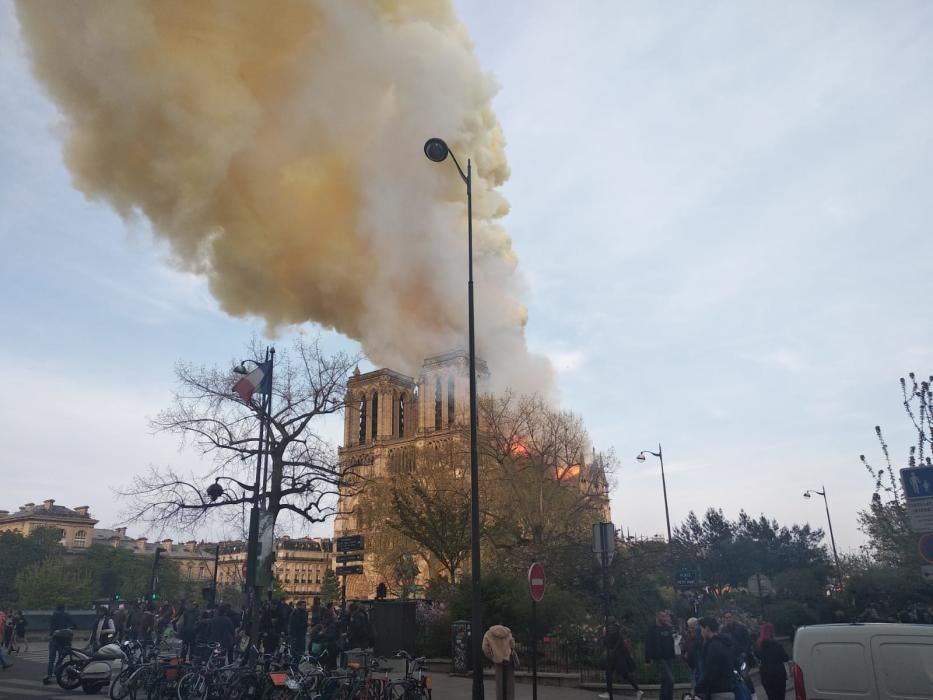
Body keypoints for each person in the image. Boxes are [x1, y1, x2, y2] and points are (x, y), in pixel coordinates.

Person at [598, 616, 643, 700]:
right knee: (612, 672)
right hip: (617, 655)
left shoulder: (612, 629)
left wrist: (604, 635)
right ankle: (637, 690)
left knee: (622, 673)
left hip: (617, 655)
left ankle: (637, 690)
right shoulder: (616, 628)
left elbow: (609, 643)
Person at [695, 617, 735, 700]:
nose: (701, 633)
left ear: (707, 628)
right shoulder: (726, 643)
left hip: (718, 692)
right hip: (729, 690)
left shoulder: (713, 646)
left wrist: (697, 689)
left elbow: (710, 672)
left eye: (701, 629)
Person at [644, 610, 675, 700]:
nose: (664, 618)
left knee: (665, 681)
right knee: (670, 680)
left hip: (668, 657)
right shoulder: (652, 629)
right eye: (662, 616)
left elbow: (671, 641)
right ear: (657, 616)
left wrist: (673, 653)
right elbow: (648, 644)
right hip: (659, 658)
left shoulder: (667, 628)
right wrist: (647, 659)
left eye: (665, 616)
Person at [43, 603, 76, 685]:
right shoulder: (66, 615)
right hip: (63, 640)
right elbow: (74, 625)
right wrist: (68, 628)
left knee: (51, 658)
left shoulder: (53, 615)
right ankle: (57, 670)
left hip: (53, 638)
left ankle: (49, 675)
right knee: (61, 657)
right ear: (64, 608)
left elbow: (51, 627)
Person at [482, 624, 516, 700]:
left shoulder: (489, 633)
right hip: (508, 660)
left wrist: (492, 656)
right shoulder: (508, 632)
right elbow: (512, 645)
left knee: (499, 684)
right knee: (510, 684)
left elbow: (485, 647)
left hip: (498, 660)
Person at [756, 623, 789, 700]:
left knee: (771, 697)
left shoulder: (758, 646)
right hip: (779, 675)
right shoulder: (777, 645)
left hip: (766, 676)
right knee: (780, 697)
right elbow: (786, 658)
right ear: (772, 632)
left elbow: (758, 657)